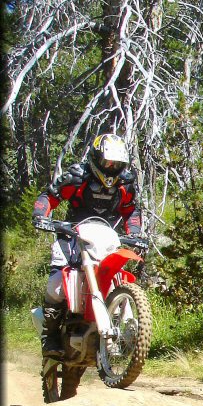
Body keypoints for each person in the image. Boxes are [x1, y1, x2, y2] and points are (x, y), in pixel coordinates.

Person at [32, 133, 143, 357]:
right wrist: (41, 216)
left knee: (118, 275)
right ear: (95, 158)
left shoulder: (125, 183)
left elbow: (131, 210)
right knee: (56, 282)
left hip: (106, 236)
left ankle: (129, 330)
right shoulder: (77, 177)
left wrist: (136, 233)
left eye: (117, 164)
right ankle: (51, 337)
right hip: (72, 233)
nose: (111, 168)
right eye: (107, 163)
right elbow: (49, 196)